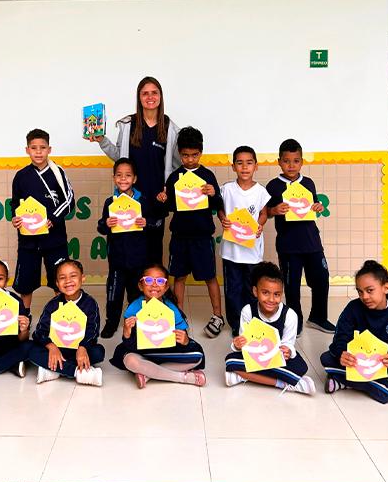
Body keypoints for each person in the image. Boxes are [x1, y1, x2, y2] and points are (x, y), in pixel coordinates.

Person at [92, 76, 180, 264]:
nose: (150, 97)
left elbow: (177, 164)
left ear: (160, 96)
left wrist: (168, 188)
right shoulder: (127, 125)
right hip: (130, 199)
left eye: (154, 93)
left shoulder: (170, 128)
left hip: (156, 201)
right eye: (145, 93)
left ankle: (154, 284)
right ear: (139, 97)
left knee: (154, 255)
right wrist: (102, 140)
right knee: (129, 253)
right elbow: (119, 157)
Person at [158, 126, 225, 338]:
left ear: (201, 152)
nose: (189, 159)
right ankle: (179, 317)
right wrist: (163, 199)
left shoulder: (207, 175)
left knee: (210, 277)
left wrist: (213, 194)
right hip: (180, 236)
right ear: (179, 153)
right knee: (178, 277)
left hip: (202, 237)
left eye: (194, 155)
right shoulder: (174, 177)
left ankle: (218, 315)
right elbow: (170, 207)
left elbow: (218, 204)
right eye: (185, 155)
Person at [266, 138, 335, 336]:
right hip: (289, 246)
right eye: (286, 161)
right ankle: (294, 322)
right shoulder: (273, 186)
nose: (291, 165)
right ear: (279, 162)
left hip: (312, 242)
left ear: (301, 162)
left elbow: (313, 206)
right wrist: (274, 210)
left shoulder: (308, 183)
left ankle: (318, 317)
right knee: (292, 285)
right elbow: (266, 213)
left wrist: (318, 207)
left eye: (296, 161)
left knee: (321, 279)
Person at [321, 260, 388, 403]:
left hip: (383, 365)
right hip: (357, 363)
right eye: (360, 291)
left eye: (370, 290)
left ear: (386, 288)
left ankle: (343, 382)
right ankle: (386, 390)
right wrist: (342, 353)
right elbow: (340, 338)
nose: (364, 296)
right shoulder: (353, 308)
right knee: (326, 358)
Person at [225, 262, 315, 395]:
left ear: (282, 293)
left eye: (277, 294)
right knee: (230, 361)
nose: (271, 299)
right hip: (255, 356)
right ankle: (285, 383)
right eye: (265, 293)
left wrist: (288, 351)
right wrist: (238, 344)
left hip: (278, 359)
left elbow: (288, 344)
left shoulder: (289, 315)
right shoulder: (248, 311)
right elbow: (245, 343)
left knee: (300, 367)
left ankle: (244, 376)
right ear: (255, 291)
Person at [110, 264, 206, 388]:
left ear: (166, 287)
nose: (154, 285)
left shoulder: (171, 308)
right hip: (142, 353)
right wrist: (127, 333)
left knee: (197, 356)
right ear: (140, 285)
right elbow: (129, 344)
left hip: (167, 352)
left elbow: (182, 338)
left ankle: (148, 374)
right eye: (149, 280)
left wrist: (185, 340)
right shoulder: (133, 308)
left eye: (160, 281)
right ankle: (182, 378)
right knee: (130, 360)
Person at [11, 128, 75, 312]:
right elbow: (15, 203)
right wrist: (15, 218)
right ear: (27, 150)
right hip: (28, 240)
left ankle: (62, 314)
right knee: (25, 282)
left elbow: (70, 201)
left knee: (60, 279)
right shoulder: (21, 176)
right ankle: (25, 315)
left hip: (55, 240)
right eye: (34, 148)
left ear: (49, 149)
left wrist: (53, 218)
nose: (38, 152)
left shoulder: (58, 173)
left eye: (42, 147)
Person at [218, 146, 270, 337]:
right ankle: (236, 323)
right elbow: (220, 209)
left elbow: (264, 213)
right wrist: (222, 219)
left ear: (256, 166)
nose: (244, 167)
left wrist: (260, 225)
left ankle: (252, 322)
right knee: (233, 289)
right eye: (239, 163)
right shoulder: (227, 189)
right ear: (233, 167)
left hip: (252, 251)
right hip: (231, 251)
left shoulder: (260, 191)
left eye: (249, 163)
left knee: (251, 289)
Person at [29, 259, 105, 386]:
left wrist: (83, 347)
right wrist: (51, 347)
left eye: (73, 276)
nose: (68, 281)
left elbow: (93, 331)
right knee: (31, 350)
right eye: (62, 278)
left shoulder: (90, 304)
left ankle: (54, 370)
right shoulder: (52, 304)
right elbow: (39, 332)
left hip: (79, 350)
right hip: (57, 350)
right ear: (57, 283)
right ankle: (76, 372)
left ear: (83, 278)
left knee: (98, 352)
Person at [97, 157, 148, 338]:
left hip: (138, 259)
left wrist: (146, 223)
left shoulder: (143, 201)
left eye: (128, 175)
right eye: (119, 175)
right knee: (114, 294)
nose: (123, 179)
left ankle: (135, 323)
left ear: (134, 178)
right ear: (114, 178)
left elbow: (155, 224)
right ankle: (111, 323)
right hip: (117, 260)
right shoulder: (109, 202)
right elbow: (101, 227)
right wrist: (106, 223)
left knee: (136, 293)